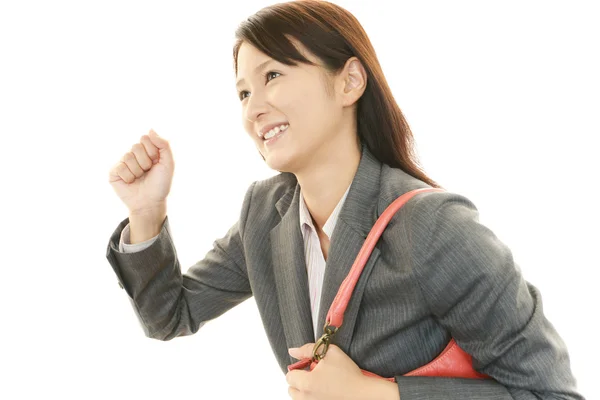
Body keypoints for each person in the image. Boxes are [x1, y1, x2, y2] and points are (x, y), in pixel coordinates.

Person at [105, 1, 584, 399]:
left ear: (349, 81)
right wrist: (147, 213)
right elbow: (170, 317)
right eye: (243, 91)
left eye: (273, 75)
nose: (253, 108)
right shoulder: (263, 214)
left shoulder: (436, 226)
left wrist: (379, 394)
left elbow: (551, 392)